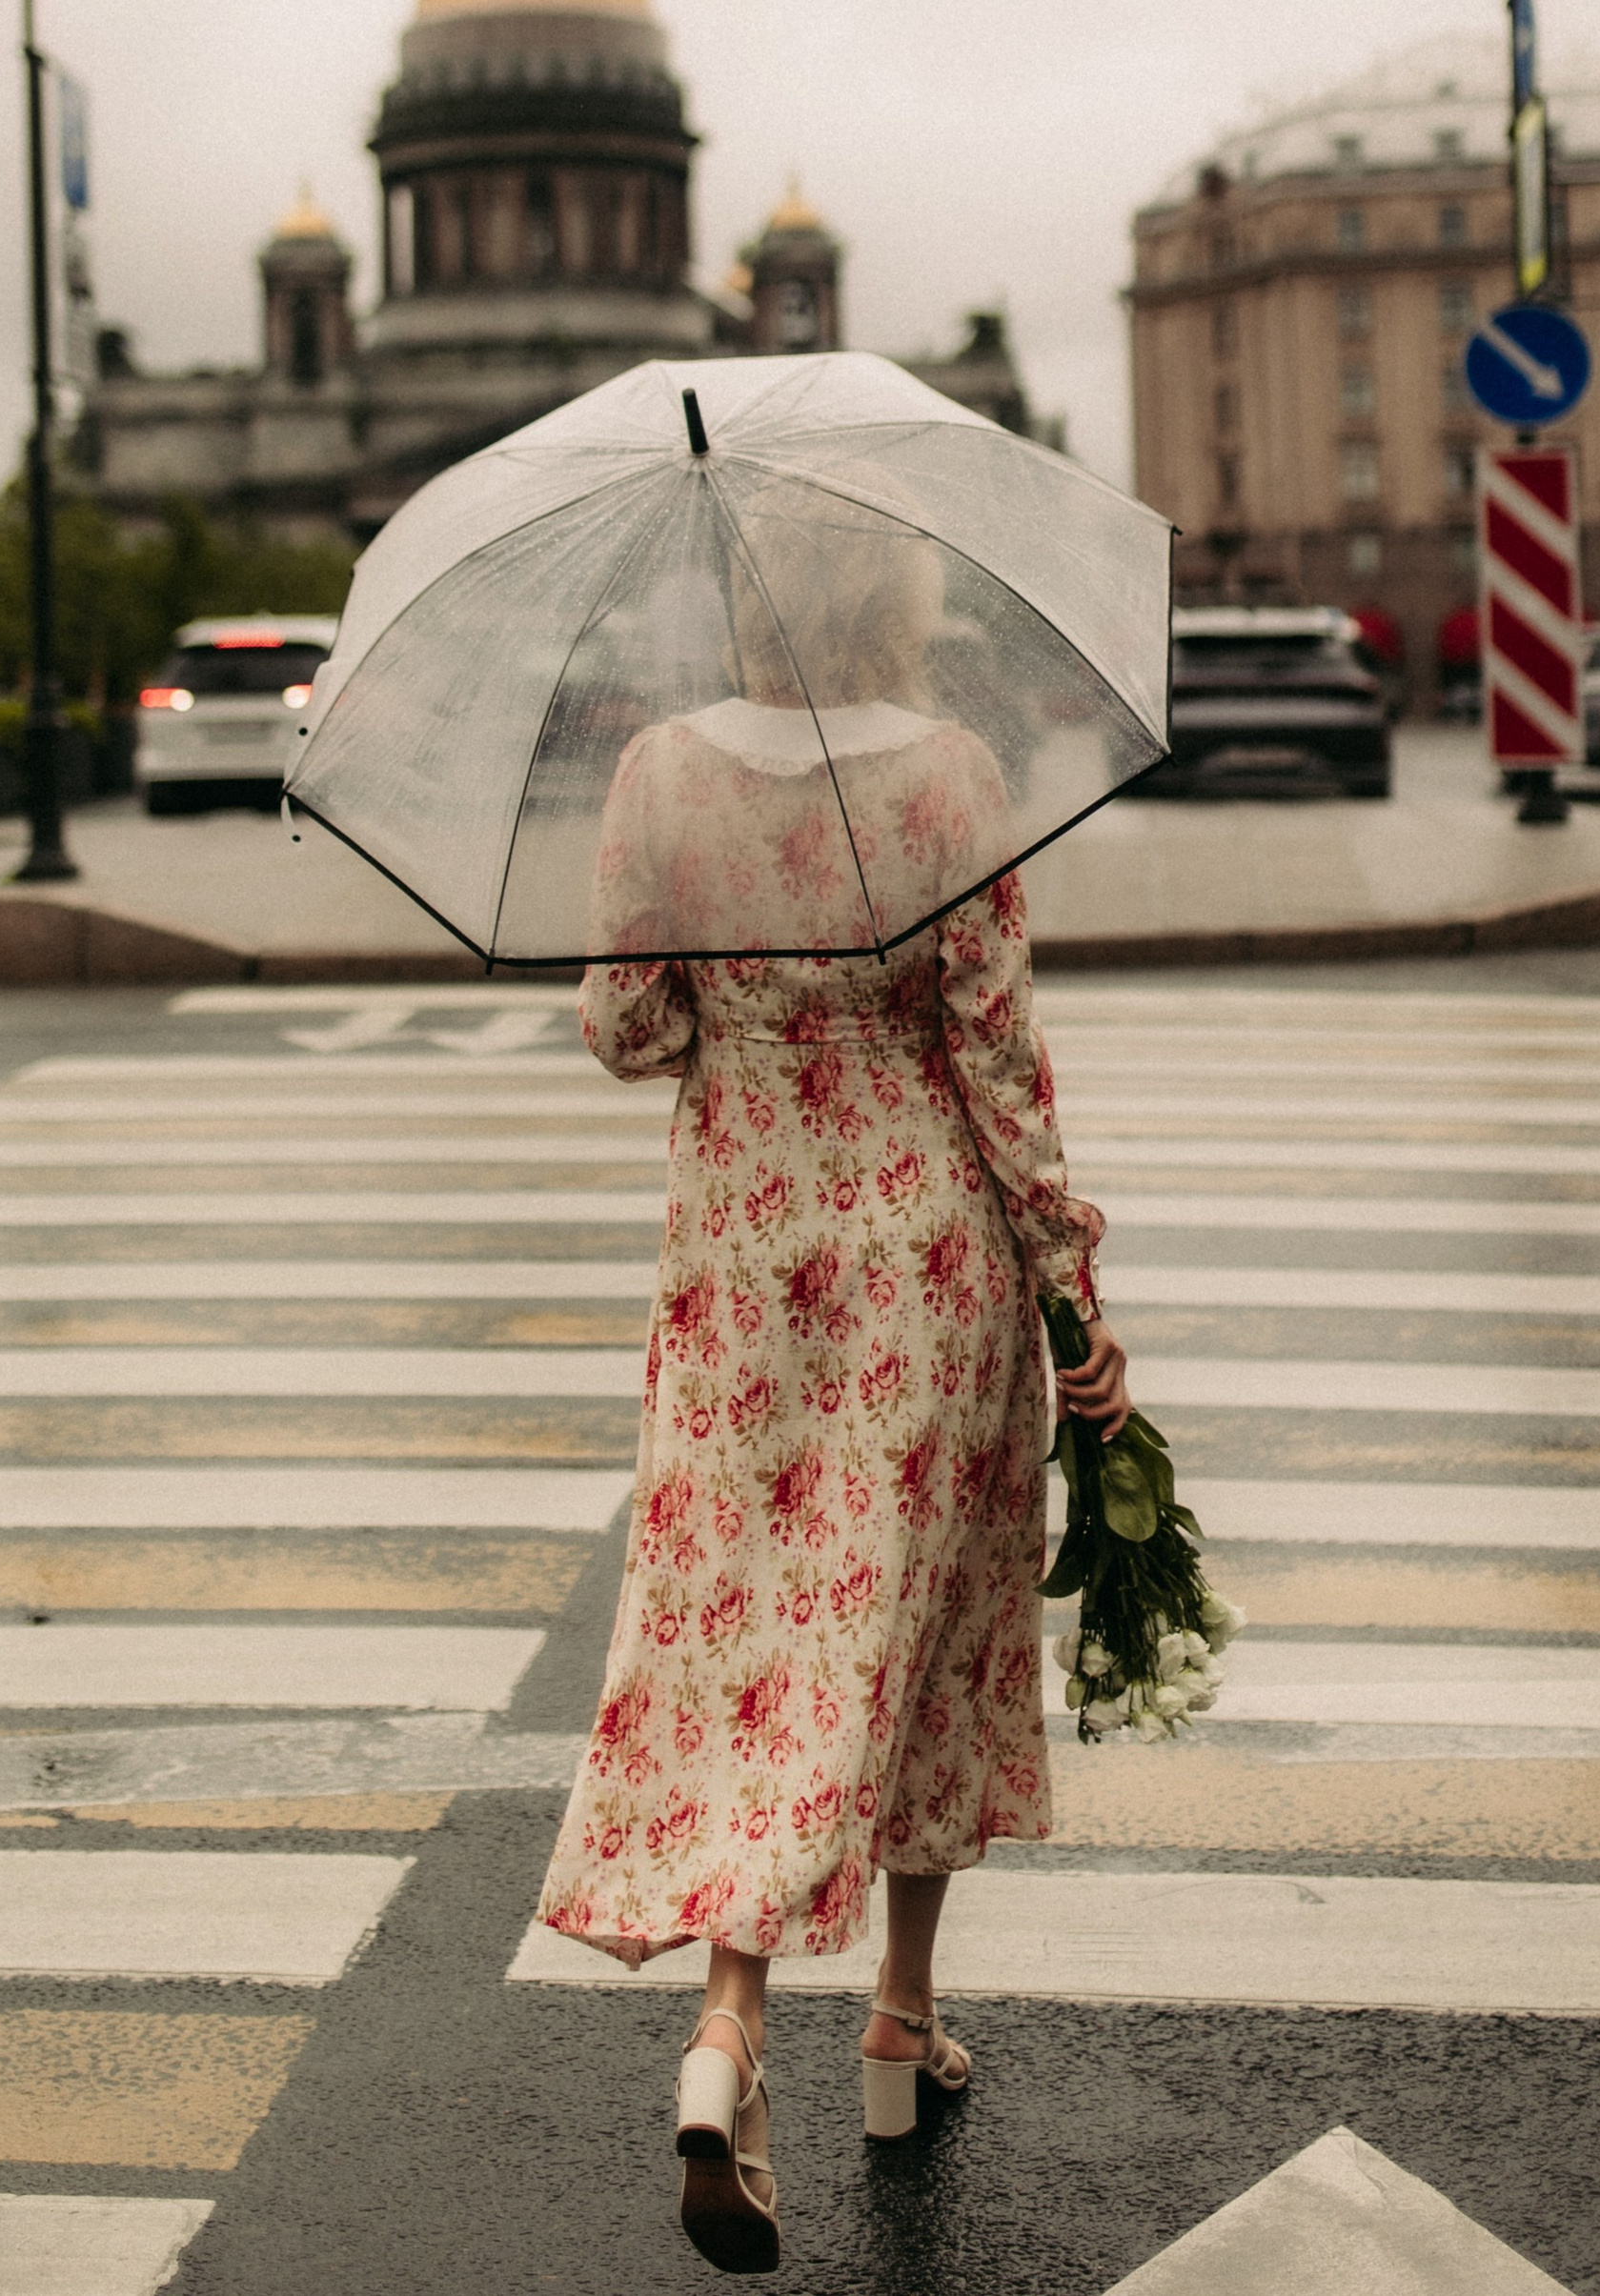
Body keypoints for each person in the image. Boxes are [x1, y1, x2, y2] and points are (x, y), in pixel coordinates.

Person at [534, 514, 1130, 2273]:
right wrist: (1072, 1292)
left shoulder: (659, 774)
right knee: (915, 1631)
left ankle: (730, 2026)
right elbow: (999, 1058)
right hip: (923, 1263)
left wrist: (732, 1006)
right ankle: (898, 2010)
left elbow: (625, 1029)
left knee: (757, 1639)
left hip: (745, 1265)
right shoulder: (952, 779)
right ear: (900, 598)